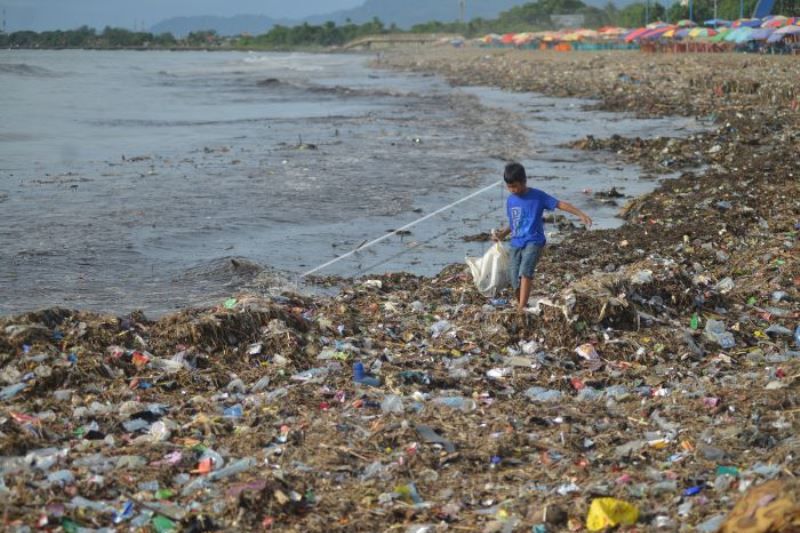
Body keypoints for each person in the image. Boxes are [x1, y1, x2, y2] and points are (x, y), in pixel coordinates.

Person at [492, 162, 592, 311]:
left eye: (515, 186)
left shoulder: (538, 196)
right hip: (516, 242)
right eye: (509, 187)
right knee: (513, 276)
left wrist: (580, 214)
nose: (512, 190)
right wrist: (502, 235)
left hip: (534, 241)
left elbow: (560, 204)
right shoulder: (511, 200)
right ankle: (522, 302)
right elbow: (514, 223)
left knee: (526, 270)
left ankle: (521, 307)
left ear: (524, 181)